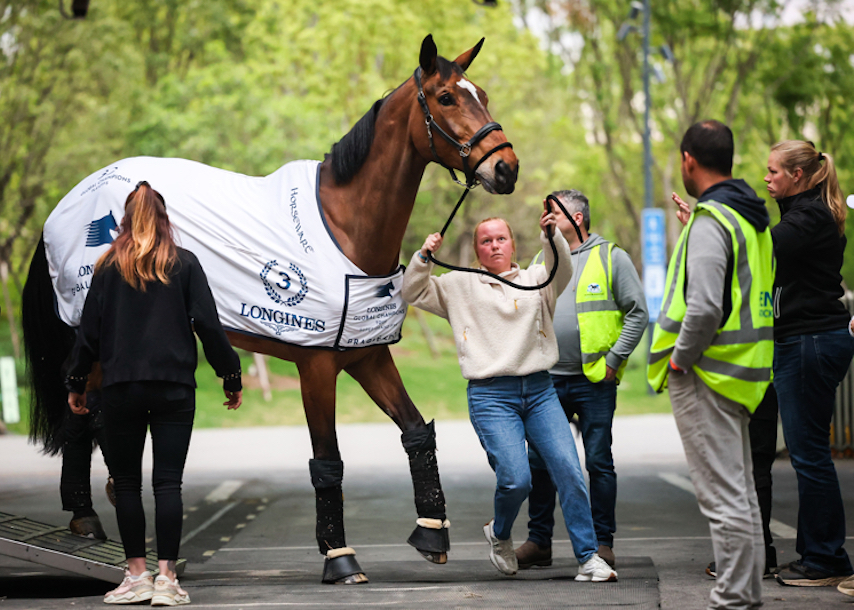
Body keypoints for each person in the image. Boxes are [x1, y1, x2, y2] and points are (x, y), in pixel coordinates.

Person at [402, 207, 617, 583]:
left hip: (539, 390)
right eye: (486, 240)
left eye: (501, 238)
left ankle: (588, 557)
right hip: (490, 396)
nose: (494, 245)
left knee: (569, 469)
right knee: (516, 479)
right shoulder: (458, 285)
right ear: (477, 249)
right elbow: (413, 291)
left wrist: (553, 237)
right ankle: (500, 533)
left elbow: (561, 267)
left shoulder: (537, 279)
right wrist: (423, 257)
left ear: (513, 244)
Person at [65, 181, 243, 606]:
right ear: (165, 220)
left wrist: (76, 383)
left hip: (121, 387)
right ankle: (167, 580)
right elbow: (209, 325)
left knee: (126, 484)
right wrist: (230, 375)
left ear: (124, 222)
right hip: (174, 388)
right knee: (168, 484)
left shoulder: (108, 267)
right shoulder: (184, 263)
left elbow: (88, 333)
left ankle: (136, 576)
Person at [647, 120, 774, 610]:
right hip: (741, 371)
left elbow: (702, 308)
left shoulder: (711, 222)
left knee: (723, 501)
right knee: (740, 495)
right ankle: (745, 597)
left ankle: (733, 601)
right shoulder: (746, 217)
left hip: (707, 374)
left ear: (688, 161)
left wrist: (680, 361)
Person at [518, 189, 647, 570]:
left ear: (577, 217)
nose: (546, 218)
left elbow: (638, 312)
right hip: (548, 383)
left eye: (553, 212)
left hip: (595, 381)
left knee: (598, 461)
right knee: (540, 461)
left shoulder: (612, 257)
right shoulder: (542, 259)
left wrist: (615, 359)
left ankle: (602, 542)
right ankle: (539, 541)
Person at [760, 141, 854, 588]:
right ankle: (821, 553)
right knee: (809, 453)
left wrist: (717, 227)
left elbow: (763, 250)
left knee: (810, 455)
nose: (767, 178)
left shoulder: (809, 216)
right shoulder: (803, 212)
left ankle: (825, 557)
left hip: (810, 341)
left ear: (797, 175)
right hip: (804, 340)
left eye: (774, 171)